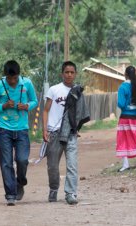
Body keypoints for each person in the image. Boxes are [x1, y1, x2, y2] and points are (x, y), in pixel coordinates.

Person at [0, 60, 38, 206]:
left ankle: (20, 182)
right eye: (9, 78)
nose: (12, 81)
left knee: (22, 160)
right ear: (5, 76)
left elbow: (35, 100)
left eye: (15, 78)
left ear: (19, 75)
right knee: (6, 163)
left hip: (22, 129)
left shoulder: (27, 84)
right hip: (4, 130)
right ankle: (10, 194)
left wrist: (27, 106)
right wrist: (3, 105)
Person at [42, 61, 90, 205]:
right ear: (62, 74)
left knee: (72, 165)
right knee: (52, 166)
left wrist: (76, 128)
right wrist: (44, 130)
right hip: (54, 133)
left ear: (75, 74)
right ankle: (53, 189)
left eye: (72, 72)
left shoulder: (78, 92)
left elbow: (79, 113)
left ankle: (70, 193)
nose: (69, 75)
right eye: (66, 72)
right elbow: (45, 110)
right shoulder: (53, 90)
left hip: (70, 134)